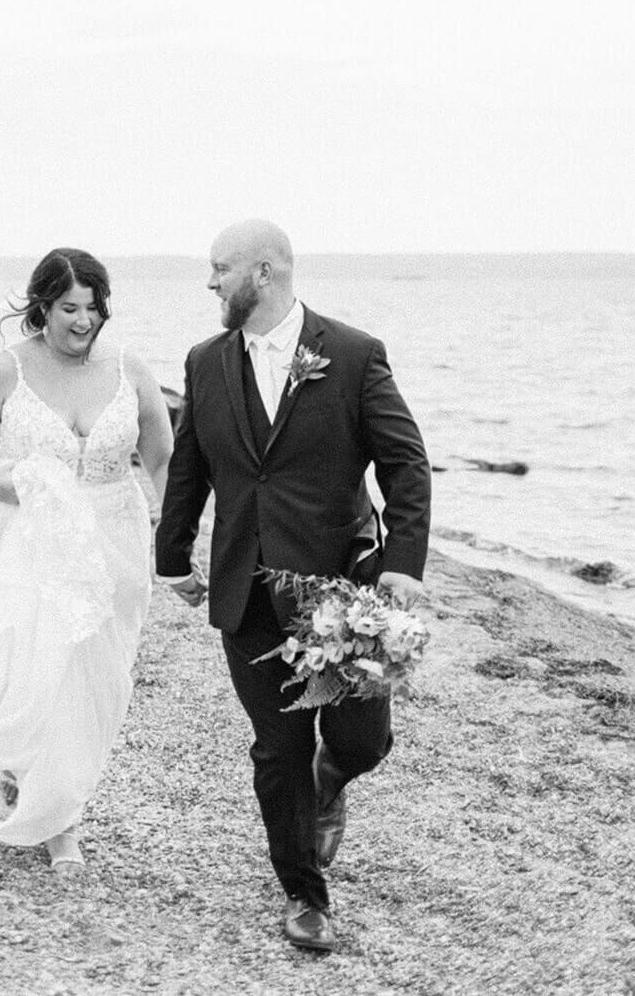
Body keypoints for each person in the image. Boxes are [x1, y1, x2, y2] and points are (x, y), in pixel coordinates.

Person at [155, 221, 430, 952]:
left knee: (360, 741)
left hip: (341, 595)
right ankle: (305, 894)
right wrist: (172, 555)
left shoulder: (351, 354)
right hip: (246, 592)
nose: (210, 281)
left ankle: (334, 777)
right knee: (275, 749)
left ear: (264, 271)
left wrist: (402, 559)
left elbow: (404, 465)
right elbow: (190, 466)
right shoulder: (204, 362)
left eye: (220, 268)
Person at [0, 248, 174, 873]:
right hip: (30, 540)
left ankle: (42, 786)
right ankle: (57, 820)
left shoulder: (130, 369)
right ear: (42, 305)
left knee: (99, 680)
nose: (84, 321)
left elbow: (162, 459)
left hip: (115, 543)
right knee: (42, 671)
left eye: (95, 309)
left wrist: (178, 533)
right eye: (70, 308)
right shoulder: (6, 370)